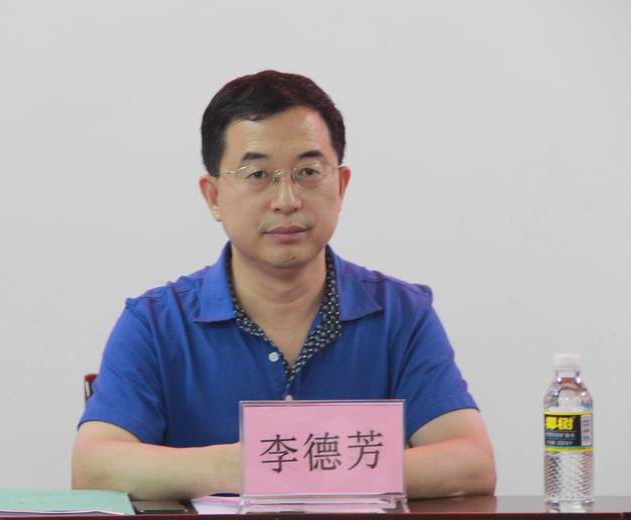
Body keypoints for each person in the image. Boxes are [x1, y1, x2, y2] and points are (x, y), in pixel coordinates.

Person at [72, 70, 496, 500]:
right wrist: (240, 466)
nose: (287, 200)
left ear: (341, 185)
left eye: (308, 171)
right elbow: (94, 468)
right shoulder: (155, 323)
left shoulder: (401, 314)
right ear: (214, 196)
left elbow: (470, 463)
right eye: (258, 175)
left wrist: (297, 466)